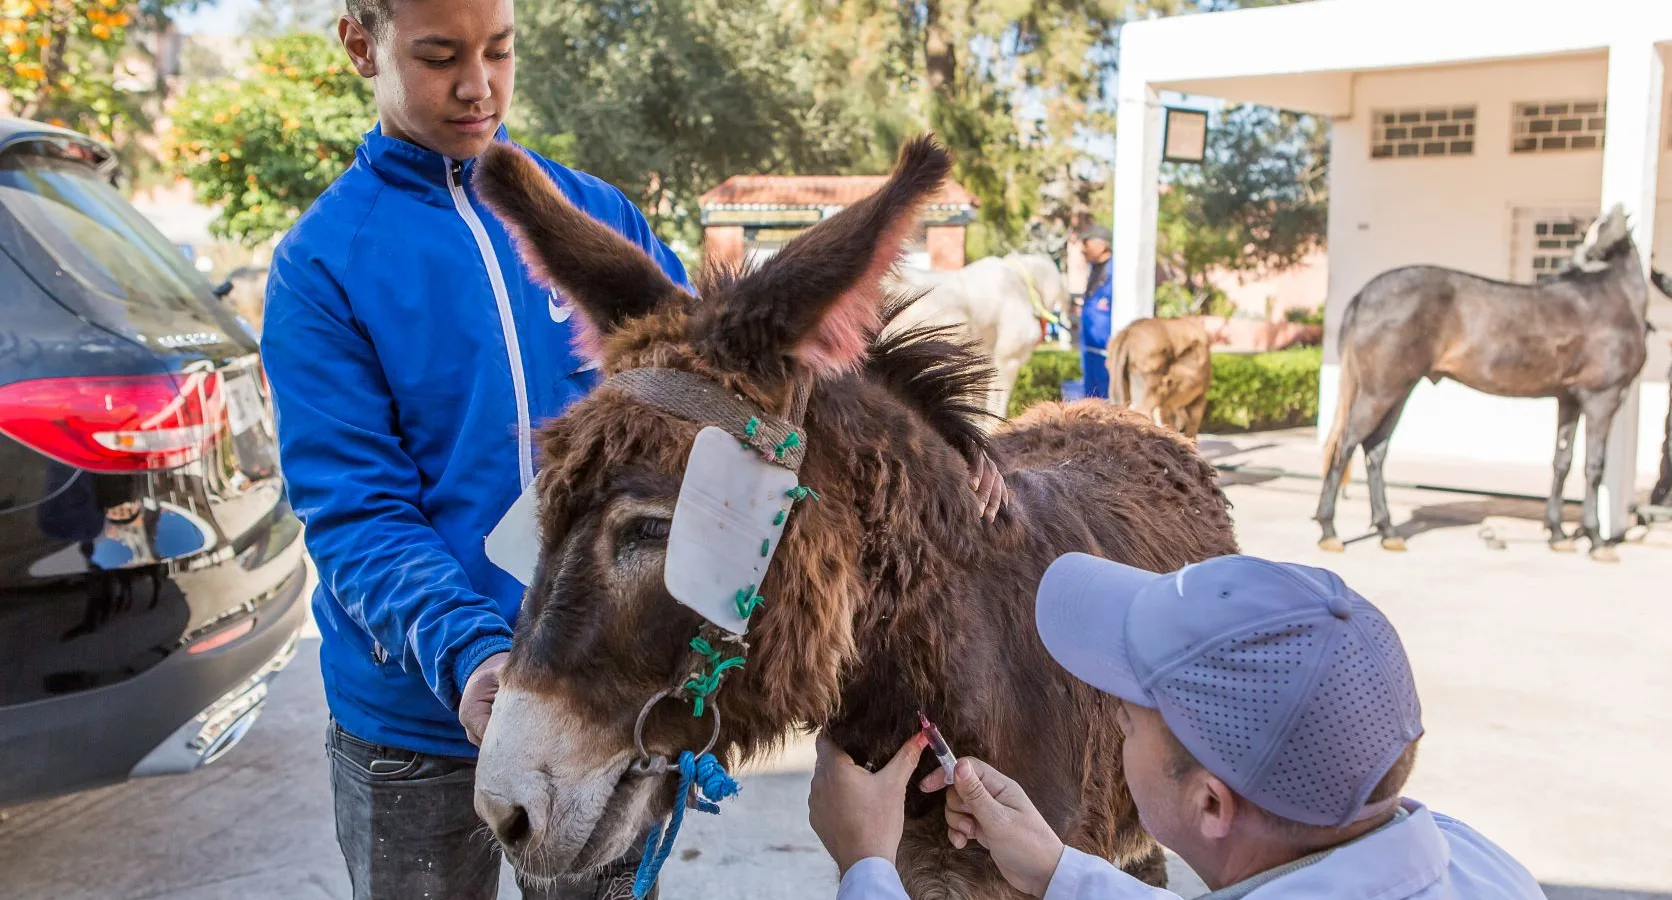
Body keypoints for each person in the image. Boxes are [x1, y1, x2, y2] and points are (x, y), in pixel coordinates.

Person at [262, 0, 1005, 895]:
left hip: (611, 694)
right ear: (359, 44)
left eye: (500, 50)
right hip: (412, 724)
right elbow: (356, 511)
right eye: (438, 56)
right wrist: (469, 653)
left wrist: (943, 451)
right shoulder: (325, 263)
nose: (478, 85)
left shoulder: (597, 212)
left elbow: (729, 393)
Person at [809, 554, 1547, 899]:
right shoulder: (1477, 864)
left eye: (1126, 723)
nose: (1116, 731)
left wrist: (865, 863)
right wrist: (1057, 869)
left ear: (1211, 805)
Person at [1078, 225, 1114, 399]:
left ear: (1102, 245)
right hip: (1089, 350)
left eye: (1086, 243)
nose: (1082, 249)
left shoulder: (1116, 271)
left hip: (1106, 351)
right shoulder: (1094, 270)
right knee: (1091, 399)